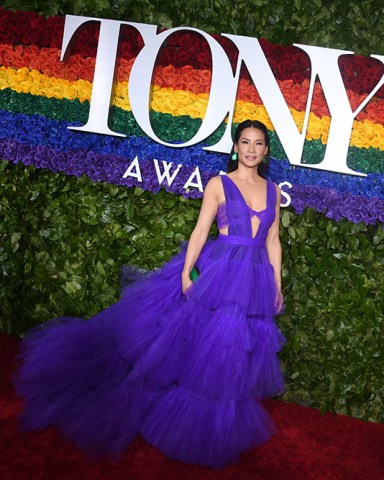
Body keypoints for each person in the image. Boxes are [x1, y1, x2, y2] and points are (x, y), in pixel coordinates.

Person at [14, 119, 286, 469]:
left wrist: (276, 284)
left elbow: (273, 240)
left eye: (258, 143)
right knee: (204, 347)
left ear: (265, 151)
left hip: (253, 277)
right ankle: (190, 423)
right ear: (235, 148)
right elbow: (201, 230)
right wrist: (188, 273)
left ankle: (217, 423)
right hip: (219, 274)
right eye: (245, 142)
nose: (251, 149)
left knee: (234, 353)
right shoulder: (219, 184)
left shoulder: (273, 190)